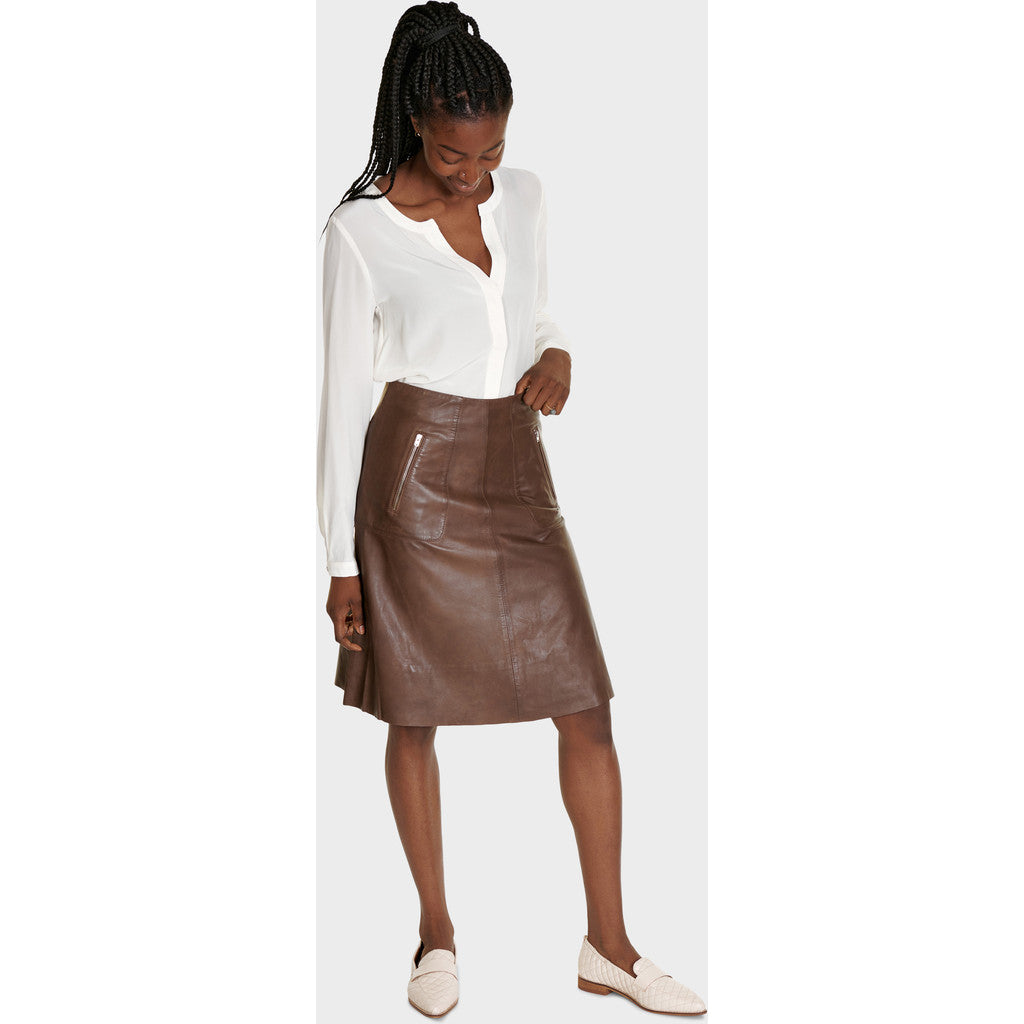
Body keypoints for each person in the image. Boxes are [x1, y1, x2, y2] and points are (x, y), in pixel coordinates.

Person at [317, 2, 706, 1017]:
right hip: (411, 480)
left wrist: (559, 352)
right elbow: (342, 398)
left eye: (490, 150)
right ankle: (434, 934)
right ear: (415, 123)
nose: (473, 172)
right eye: (453, 154)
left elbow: (532, 311)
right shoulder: (360, 233)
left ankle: (609, 946)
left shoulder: (524, 195)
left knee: (586, 701)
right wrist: (339, 560)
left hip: (517, 470)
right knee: (413, 711)